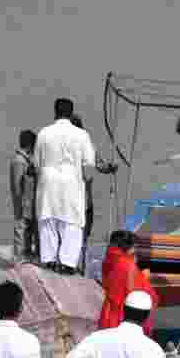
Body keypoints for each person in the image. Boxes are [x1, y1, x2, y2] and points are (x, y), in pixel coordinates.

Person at [34, 98, 96, 275]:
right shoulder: (81, 135)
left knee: (48, 219)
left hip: (48, 179)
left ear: (55, 111)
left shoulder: (44, 133)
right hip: (71, 180)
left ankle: (49, 260)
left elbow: (37, 162)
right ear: (71, 113)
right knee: (72, 221)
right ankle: (68, 263)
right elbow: (89, 162)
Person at [69, 114, 118, 274]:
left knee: (83, 236)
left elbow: (99, 165)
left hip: (85, 201)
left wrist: (109, 167)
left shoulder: (88, 146)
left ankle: (79, 267)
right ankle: (70, 265)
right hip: (70, 201)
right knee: (71, 235)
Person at [98, 230, 158, 336]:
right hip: (123, 318)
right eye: (135, 247)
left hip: (108, 314)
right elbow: (136, 293)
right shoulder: (127, 265)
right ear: (128, 247)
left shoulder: (109, 259)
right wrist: (143, 279)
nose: (136, 250)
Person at [9, 129, 38, 262]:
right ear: (30, 145)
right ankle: (18, 256)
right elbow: (17, 184)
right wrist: (20, 201)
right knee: (21, 227)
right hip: (22, 200)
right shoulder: (19, 161)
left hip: (28, 200)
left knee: (27, 228)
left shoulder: (25, 159)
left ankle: (26, 254)